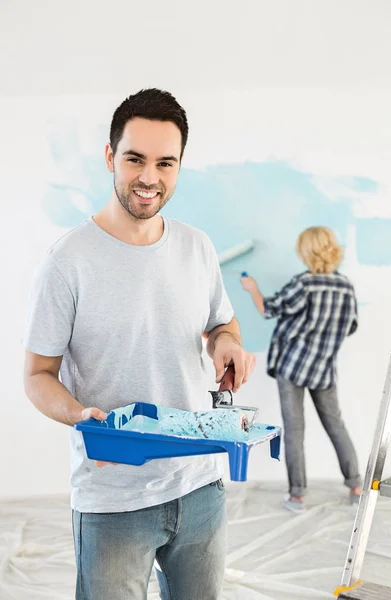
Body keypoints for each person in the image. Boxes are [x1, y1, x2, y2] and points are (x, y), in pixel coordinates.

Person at [23, 88, 256, 600]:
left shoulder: (197, 246)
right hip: (113, 499)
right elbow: (37, 375)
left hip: (201, 484)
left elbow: (223, 326)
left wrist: (226, 345)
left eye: (164, 163)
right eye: (135, 159)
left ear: (178, 167)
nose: (149, 178)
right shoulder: (68, 261)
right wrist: (81, 414)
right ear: (110, 157)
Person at [240, 226, 361, 513]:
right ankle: (356, 487)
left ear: (307, 251)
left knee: (294, 431)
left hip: (292, 366)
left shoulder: (303, 284)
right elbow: (351, 326)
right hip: (324, 368)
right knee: (336, 425)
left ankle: (297, 496)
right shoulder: (345, 286)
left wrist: (252, 288)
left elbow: (269, 309)